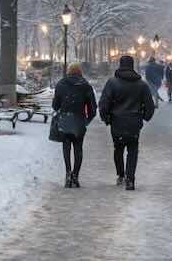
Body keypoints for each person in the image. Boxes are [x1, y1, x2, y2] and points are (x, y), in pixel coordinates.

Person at [99, 55, 156, 191]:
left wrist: (106, 118)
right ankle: (130, 179)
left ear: (120, 65)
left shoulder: (112, 83)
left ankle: (120, 174)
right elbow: (150, 106)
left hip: (117, 121)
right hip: (134, 122)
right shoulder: (141, 84)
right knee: (133, 150)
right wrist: (144, 117)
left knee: (118, 149)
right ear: (132, 66)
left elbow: (103, 103)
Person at [52, 62, 97, 188]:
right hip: (79, 120)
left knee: (66, 148)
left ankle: (67, 174)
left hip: (65, 119)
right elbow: (93, 107)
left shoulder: (61, 84)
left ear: (68, 71)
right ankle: (75, 176)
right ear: (80, 72)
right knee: (78, 148)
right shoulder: (85, 85)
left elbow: (55, 105)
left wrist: (62, 107)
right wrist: (87, 120)